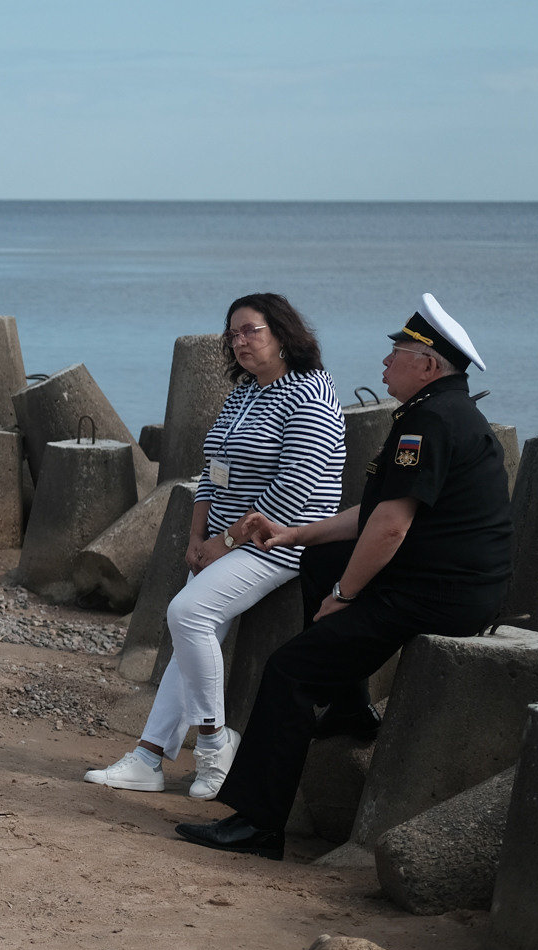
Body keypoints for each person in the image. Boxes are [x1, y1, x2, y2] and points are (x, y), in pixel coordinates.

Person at [177, 294, 513, 859]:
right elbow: (371, 512)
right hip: (442, 580)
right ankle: (351, 705)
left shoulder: (429, 422)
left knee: (290, 670)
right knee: (320, 556)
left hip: (439, 593)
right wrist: (294, 535)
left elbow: (388, 529)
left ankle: (257, 824)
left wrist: (344, 597)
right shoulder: (435, 413)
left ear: (428, 366)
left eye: (397, 354)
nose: (384, 365)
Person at [84, 293, 345, 798]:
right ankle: (148, 757)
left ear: (284, 334)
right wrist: (197, 535)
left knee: (188, 617)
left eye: (251, 331)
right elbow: (213, 471)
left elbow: (293, 488)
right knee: (189, 640)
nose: (239, 342)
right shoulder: (245, 391)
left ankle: (213, 744)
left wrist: (224, 544)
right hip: (222, 541)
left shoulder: (311, 395)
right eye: (233, 334)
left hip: (280, 541)